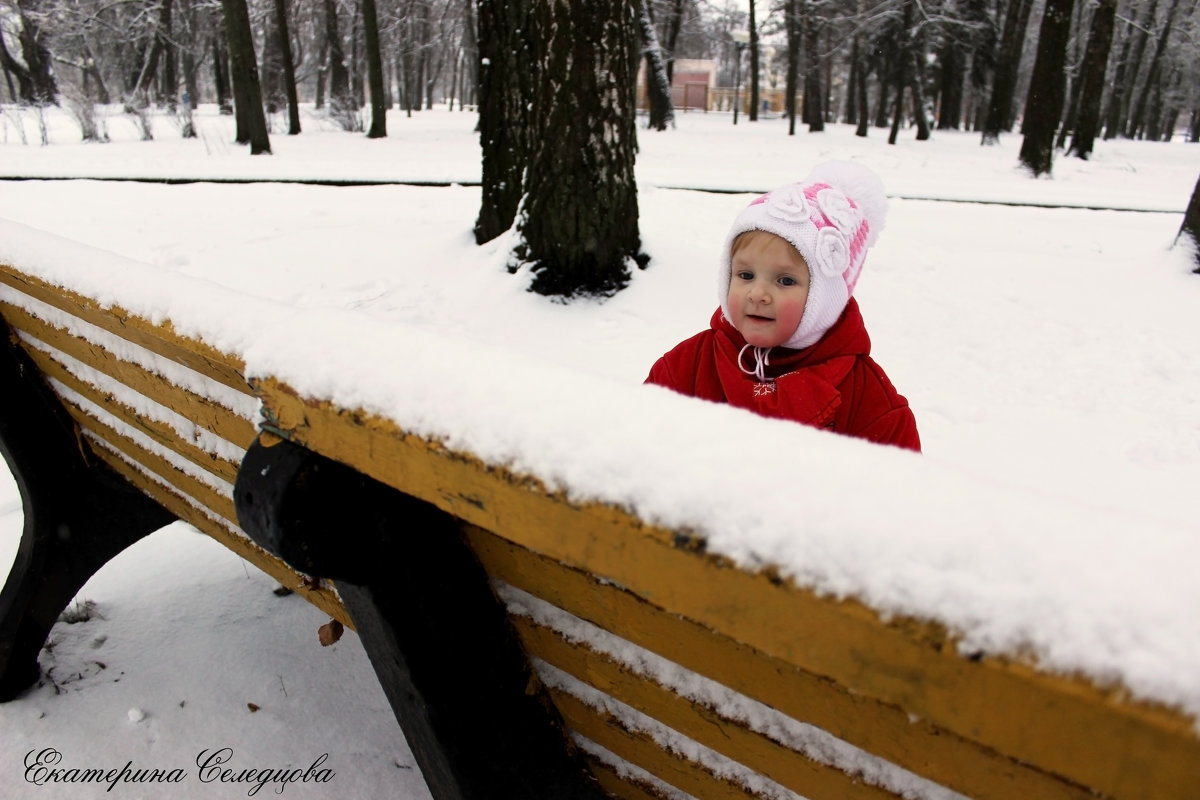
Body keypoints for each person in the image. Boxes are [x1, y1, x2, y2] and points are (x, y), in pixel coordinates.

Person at [645, 161, 920, 452]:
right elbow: (639, 444)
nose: (758, 294)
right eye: (745, 275)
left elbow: (901, 489)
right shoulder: (689, 366)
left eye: (785, 280)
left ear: (825, 298)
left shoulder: (868, 401)